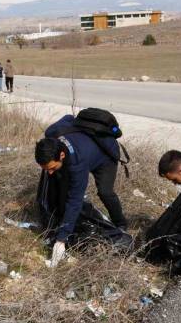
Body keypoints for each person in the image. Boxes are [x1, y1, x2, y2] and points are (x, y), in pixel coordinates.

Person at [35, 114, 128, 267]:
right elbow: (69, 117)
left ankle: (121, 223)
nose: (49, 172)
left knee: (105, 192)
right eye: (46, 168)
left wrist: (61, 240)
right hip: (84, 148)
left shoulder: (77, 164)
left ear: (62, 155)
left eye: (51, 168)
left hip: (104, 156)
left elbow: (75, 201)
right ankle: (58, 220)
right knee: (58, 183)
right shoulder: (52, 133)